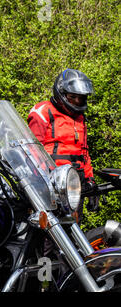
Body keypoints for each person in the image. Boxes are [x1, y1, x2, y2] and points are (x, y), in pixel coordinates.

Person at [28, 68, 99, 221]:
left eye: (81, 98)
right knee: (49, 234)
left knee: (72, 227)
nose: (77, 102)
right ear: (61, 93)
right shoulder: (43, 111)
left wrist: (90, 180)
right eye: (73, 97)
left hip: (74, 182)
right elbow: (32, 149)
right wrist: (42, 179)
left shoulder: (80, 118)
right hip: (51, 180)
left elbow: (83, 152)